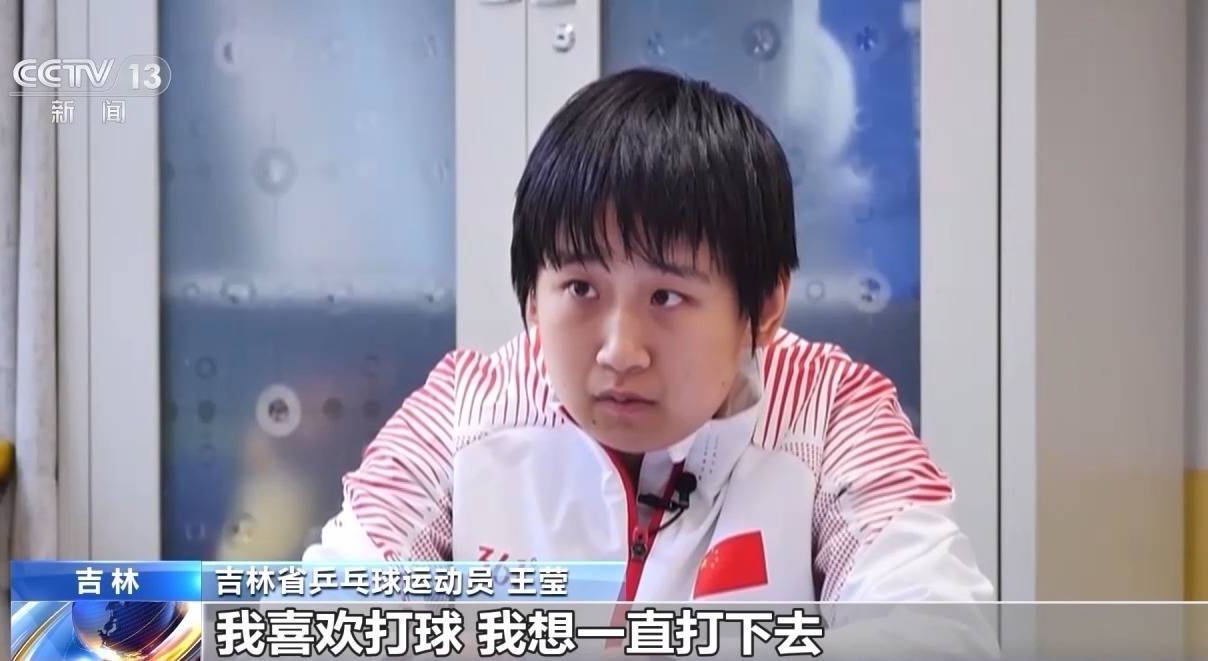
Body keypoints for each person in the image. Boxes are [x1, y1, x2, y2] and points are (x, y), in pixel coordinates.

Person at [304, 69, 993, 617]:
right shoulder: (465, 411)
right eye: (580, 288)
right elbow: (332, 608)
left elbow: (929, 619)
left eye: (666, 297)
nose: (619, 351)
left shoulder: (831, 410)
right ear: (533, 297)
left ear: (763, 305)